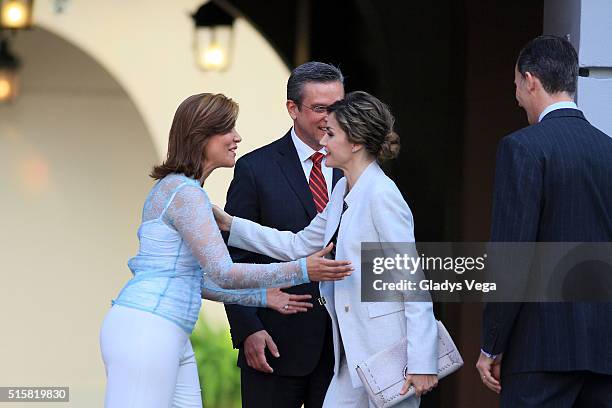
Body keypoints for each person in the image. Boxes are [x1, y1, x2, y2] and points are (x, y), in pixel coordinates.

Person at [99, 93, 352, 408]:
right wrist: (302, 269)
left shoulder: (184, 191)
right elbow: (223, 272)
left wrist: (261, 297)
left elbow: (196, 280)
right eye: (227, 129)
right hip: (147, 328)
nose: (237, 137)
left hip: (165, 330)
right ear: (201, 137)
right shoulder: (185, 194)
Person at [214, 91, 439, 407]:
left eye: (331, 134)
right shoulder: (342, 190)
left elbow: (410, 281)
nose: (323, 142)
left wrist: (422, 361)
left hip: (386, 358)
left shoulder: (382, 195)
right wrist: (231, 225)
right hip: (350, 359)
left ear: (356, 142)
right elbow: (298, 244)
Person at [476, 35, 612, 407]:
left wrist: (492, 343)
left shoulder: (522, 147)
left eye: (517, 85)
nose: (517, 96)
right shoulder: (609, 151)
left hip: (539, 352)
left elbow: (512, 255)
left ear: (530, 80)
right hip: (604, 354)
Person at [223, 61, 344, 408]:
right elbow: (233, 261)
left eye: (337, 107)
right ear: (292, 108)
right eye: (320, 109)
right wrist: (247, 328)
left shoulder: (358, 171)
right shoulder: (255, 169)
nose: (330, 117)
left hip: (342, 349)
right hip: (274, 342)